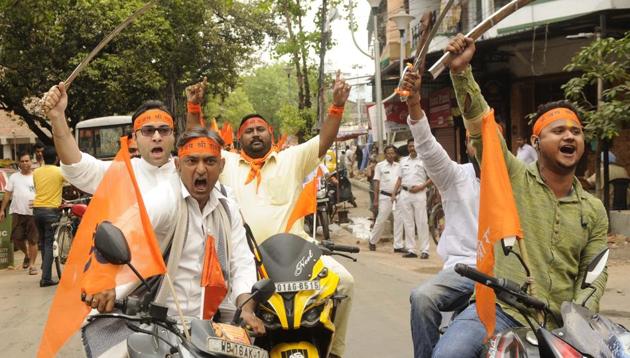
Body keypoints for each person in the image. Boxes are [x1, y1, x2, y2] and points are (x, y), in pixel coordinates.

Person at [430, 34, 608, 357]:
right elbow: (481, 127)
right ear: (536, 143)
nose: (569, 136)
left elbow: (594, 275)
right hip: (500, 311)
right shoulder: (513, 177)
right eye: (559, 131)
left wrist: (578, 324)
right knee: (448, 355)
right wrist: (461, 73)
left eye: (576, 131)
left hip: (558, 327)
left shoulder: (594, 210)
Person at [190, 72, 353, 358]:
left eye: (260, 129)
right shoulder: (224, 162)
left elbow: (324, 140)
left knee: (345, 282)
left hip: (298, 260)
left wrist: (337, 106)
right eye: (248, 130)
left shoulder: (291, 159)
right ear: (239, 138)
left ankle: (334, 352)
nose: (255, 133)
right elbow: (198, 143)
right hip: (245, 262)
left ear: (271, 134)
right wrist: (194, 109)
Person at [84, 129, 261, 328]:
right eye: (192, 161)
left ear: (221, 166)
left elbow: (241, 261)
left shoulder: (228, 208)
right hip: (154, 325)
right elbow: (118, 232)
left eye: (210, 161)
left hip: (208, 327)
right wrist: (104, 281)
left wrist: (246, 309)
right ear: (177, 165)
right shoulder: (164, 199)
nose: (201, 170)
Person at [399, 68, 479, 357]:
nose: (481, 144)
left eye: (490, 137)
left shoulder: (518, 181)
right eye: (475, 139)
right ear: (468, 146)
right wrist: (414, 103)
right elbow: (428, 147)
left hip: (509, 278)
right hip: (463, 271)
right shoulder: (456, 176)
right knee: (422, 297)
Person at [392, 138, 432, 259]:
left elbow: (432, 177)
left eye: (414, 146)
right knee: (407, 222)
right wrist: (394, 193)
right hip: (404, 194)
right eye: (410, 146)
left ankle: (425, 250)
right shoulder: (403, 161)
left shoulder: (424, 160)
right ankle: (411, 249)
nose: (412, 148)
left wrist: (421, 187)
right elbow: (399, 178)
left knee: (421, 222)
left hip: (419, 194)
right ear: (408, 148)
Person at [0, 152, 39, 273]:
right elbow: (7, 194)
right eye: (22, 161)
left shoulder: (37, 176)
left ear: (31, 162)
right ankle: (26, 254)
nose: (25, 163)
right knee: (17, 239)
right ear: (19, 163)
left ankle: (32, 265)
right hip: (17, 212)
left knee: (33, 240)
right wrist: (2, 209)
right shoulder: (14, 177)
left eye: (27, 161)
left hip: (33, 212)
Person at [32, 146, 65, 287]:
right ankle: (45, 278)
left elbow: (38, 187)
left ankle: (45, 270)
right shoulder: (60, 171)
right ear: (57, 158)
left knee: (44, 242)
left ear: (43, 157)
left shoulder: (36, 172)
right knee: (50, 243)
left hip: (37, 210)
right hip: (51, 211)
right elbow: (70, 183)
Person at [368, 145, 404, 252]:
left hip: (398, 196)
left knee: (398, 220)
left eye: (393, 153)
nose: (391, 155)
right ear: (385, 154)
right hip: (384, 196)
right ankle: (372, 241)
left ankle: (398, 245)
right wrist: (375, 199)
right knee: (381, 220)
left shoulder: (399, 166)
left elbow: (401, 180)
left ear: (395, 154)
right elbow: (376, 182)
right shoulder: (380, 166)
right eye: (388, 153)